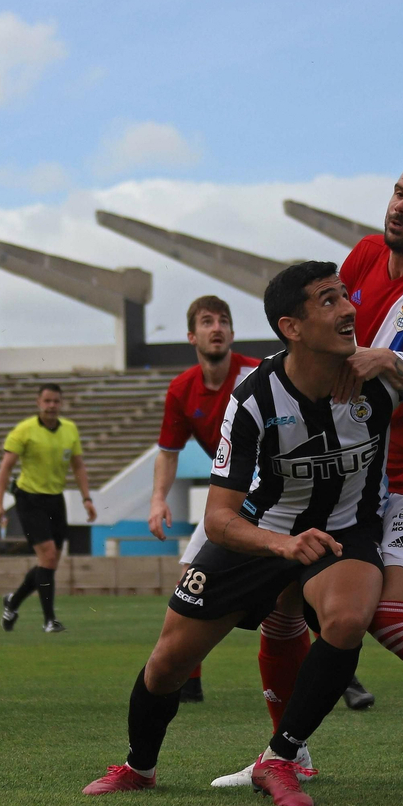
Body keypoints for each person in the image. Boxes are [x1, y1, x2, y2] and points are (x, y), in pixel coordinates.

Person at [82, 260, 403, 806]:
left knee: (347, 619)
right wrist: (280, 545)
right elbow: (219, 516)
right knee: (169, 662)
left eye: (345, 296)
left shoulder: (383, 373)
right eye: (329, 301)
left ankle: (281, 756)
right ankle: (138, 767)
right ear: (292, 327)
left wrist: (395, 367)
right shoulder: (253, 399)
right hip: (265, 532)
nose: (349, 309)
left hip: (345, 532)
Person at [147, 294, 264, 704]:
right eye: (207, 321)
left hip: (276, 493)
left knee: (299, 592)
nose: (216, 327)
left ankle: (343, 676)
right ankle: (190, 682)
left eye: (223, 321)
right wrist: (159, 499)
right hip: (230, 500)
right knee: (190, 577)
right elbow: (168, 451)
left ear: (232, 332)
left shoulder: (256, 372)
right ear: (191, 335)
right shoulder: (182, 389)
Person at [0, 385, 96, 632]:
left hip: (55, 499)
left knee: (49, 563)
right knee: (48, 557)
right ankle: (49, 621)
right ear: (38, 402)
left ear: (61, 403)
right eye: (47, 401)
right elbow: (6, 468)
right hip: (29, 498)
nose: (51, 406)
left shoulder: (70, 430)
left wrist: (87, 498)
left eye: (56, 401)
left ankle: (13, 602)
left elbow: (78, 466)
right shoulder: (24, 430)